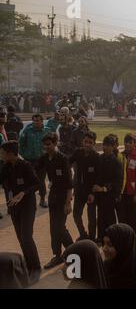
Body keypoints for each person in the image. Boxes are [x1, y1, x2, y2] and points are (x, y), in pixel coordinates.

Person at [0, 141, 41, 277]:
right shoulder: (6, 166)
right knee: (20, 237)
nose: (1, 155)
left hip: (27, 207)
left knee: (26, 237)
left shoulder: (26, 166)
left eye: (3, 153)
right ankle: (28, 265)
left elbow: (37, 184)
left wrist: (23, 193)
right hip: (14, 207)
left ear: (11, 154)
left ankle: (36, 267)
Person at [36, 132, 74, 269]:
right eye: (44, 144)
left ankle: (73, 252)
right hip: (53, 196)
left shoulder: (63, 159)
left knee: (60, 227)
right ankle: (57, 255)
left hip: (64, 197)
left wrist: (68, 202)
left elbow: (69, 183)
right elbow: (33, 169)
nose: (46, 147)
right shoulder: (45, 158)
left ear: (55, 143)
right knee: (54, 228)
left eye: (49, 144)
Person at [69, 131, 100, 241]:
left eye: (90, 142)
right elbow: (67, 162)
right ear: (83, 141)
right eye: (86, 141)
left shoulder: (96, 157)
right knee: (76, 215)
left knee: (91, 218)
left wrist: (93, 193)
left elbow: (99, 177)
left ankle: (92, 238)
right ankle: (83, 234)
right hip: (79, 191)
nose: (87, 144)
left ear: (94, 144)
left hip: (91, 193)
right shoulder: (78, 152)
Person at [93, 135, 124, 241]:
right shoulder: (99, 158)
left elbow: (117, 182)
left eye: (108, 145)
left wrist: (104, 188)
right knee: (100, 218)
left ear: (113, 147)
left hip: (110, 196)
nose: (105, 147)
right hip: (99, 196)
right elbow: (97, 176)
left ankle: (112, 238)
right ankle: (101, 239)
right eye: (104, 145)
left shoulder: (116, 162)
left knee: (110, 218)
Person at [103, 223, 136, 289]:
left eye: (110, 244)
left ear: (123, 246)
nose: (104, 249)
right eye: (103, 243)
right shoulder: (105, 267)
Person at [19, 114, 50, 208]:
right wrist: (25, 155)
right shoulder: (27, 131)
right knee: (28, 180)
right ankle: (28, 200)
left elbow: (51, 144)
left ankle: (42, 199)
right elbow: (21, 144)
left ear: (42, 121)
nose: (36, 122)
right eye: (34, 121)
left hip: (42, 160)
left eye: (38, 120)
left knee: (41, 180)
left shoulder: (47, 131)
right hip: (29, 160)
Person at [117, 134, 136, 234]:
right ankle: (123, 233)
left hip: (131, 191)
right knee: (122, 214)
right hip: (122, 190)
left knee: (132, 215)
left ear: (134, 144)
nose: (127, 144)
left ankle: (135, 234)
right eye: (126, 142)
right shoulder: (121, 155)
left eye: (130, 142)